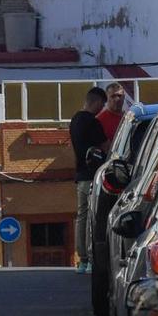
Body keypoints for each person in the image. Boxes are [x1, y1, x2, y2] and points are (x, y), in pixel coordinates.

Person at [68, 86, 110, 269]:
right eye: (103, 104)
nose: (103, 108)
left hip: (80, 174)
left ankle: (82, 259)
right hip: (93, 176)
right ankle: (92, 257)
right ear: (98, 102)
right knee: (94, 217)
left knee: (81, 216)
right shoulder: (93, 122)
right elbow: (106, 147)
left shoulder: (75, 120)